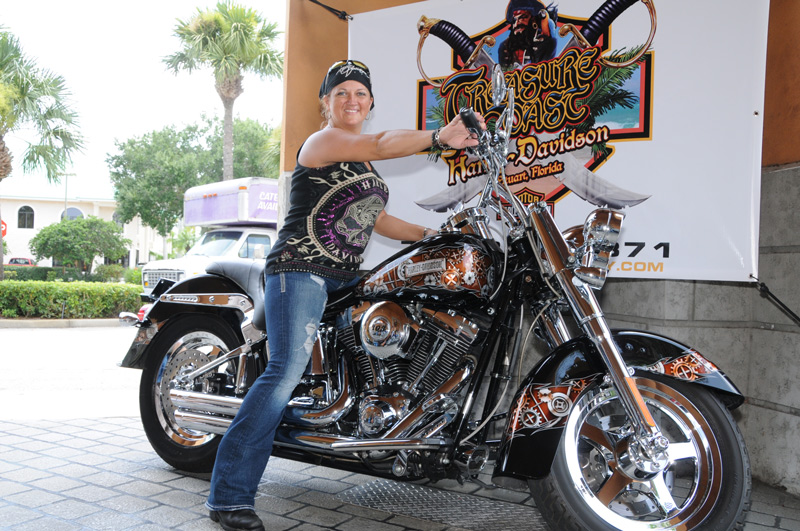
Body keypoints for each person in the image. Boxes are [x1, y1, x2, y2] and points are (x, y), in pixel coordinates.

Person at [205, 59, 484, 531]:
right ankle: (229, 496)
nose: (351, 100)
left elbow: (377, 219)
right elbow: (379, 142)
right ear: (326, 103)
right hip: (301, 268)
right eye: (342, 93)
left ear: (370, 102)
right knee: (285, 369)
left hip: (345, 275)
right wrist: (440, 136)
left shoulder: (364, 164)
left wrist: (433, 236)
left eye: (360, 93)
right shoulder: (324, 142)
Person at [498, 0, 559, 69]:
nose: (517, 23)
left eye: (523, 17)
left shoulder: (546, 43)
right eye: (514, 20)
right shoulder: (504, 47)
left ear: (533, 20)